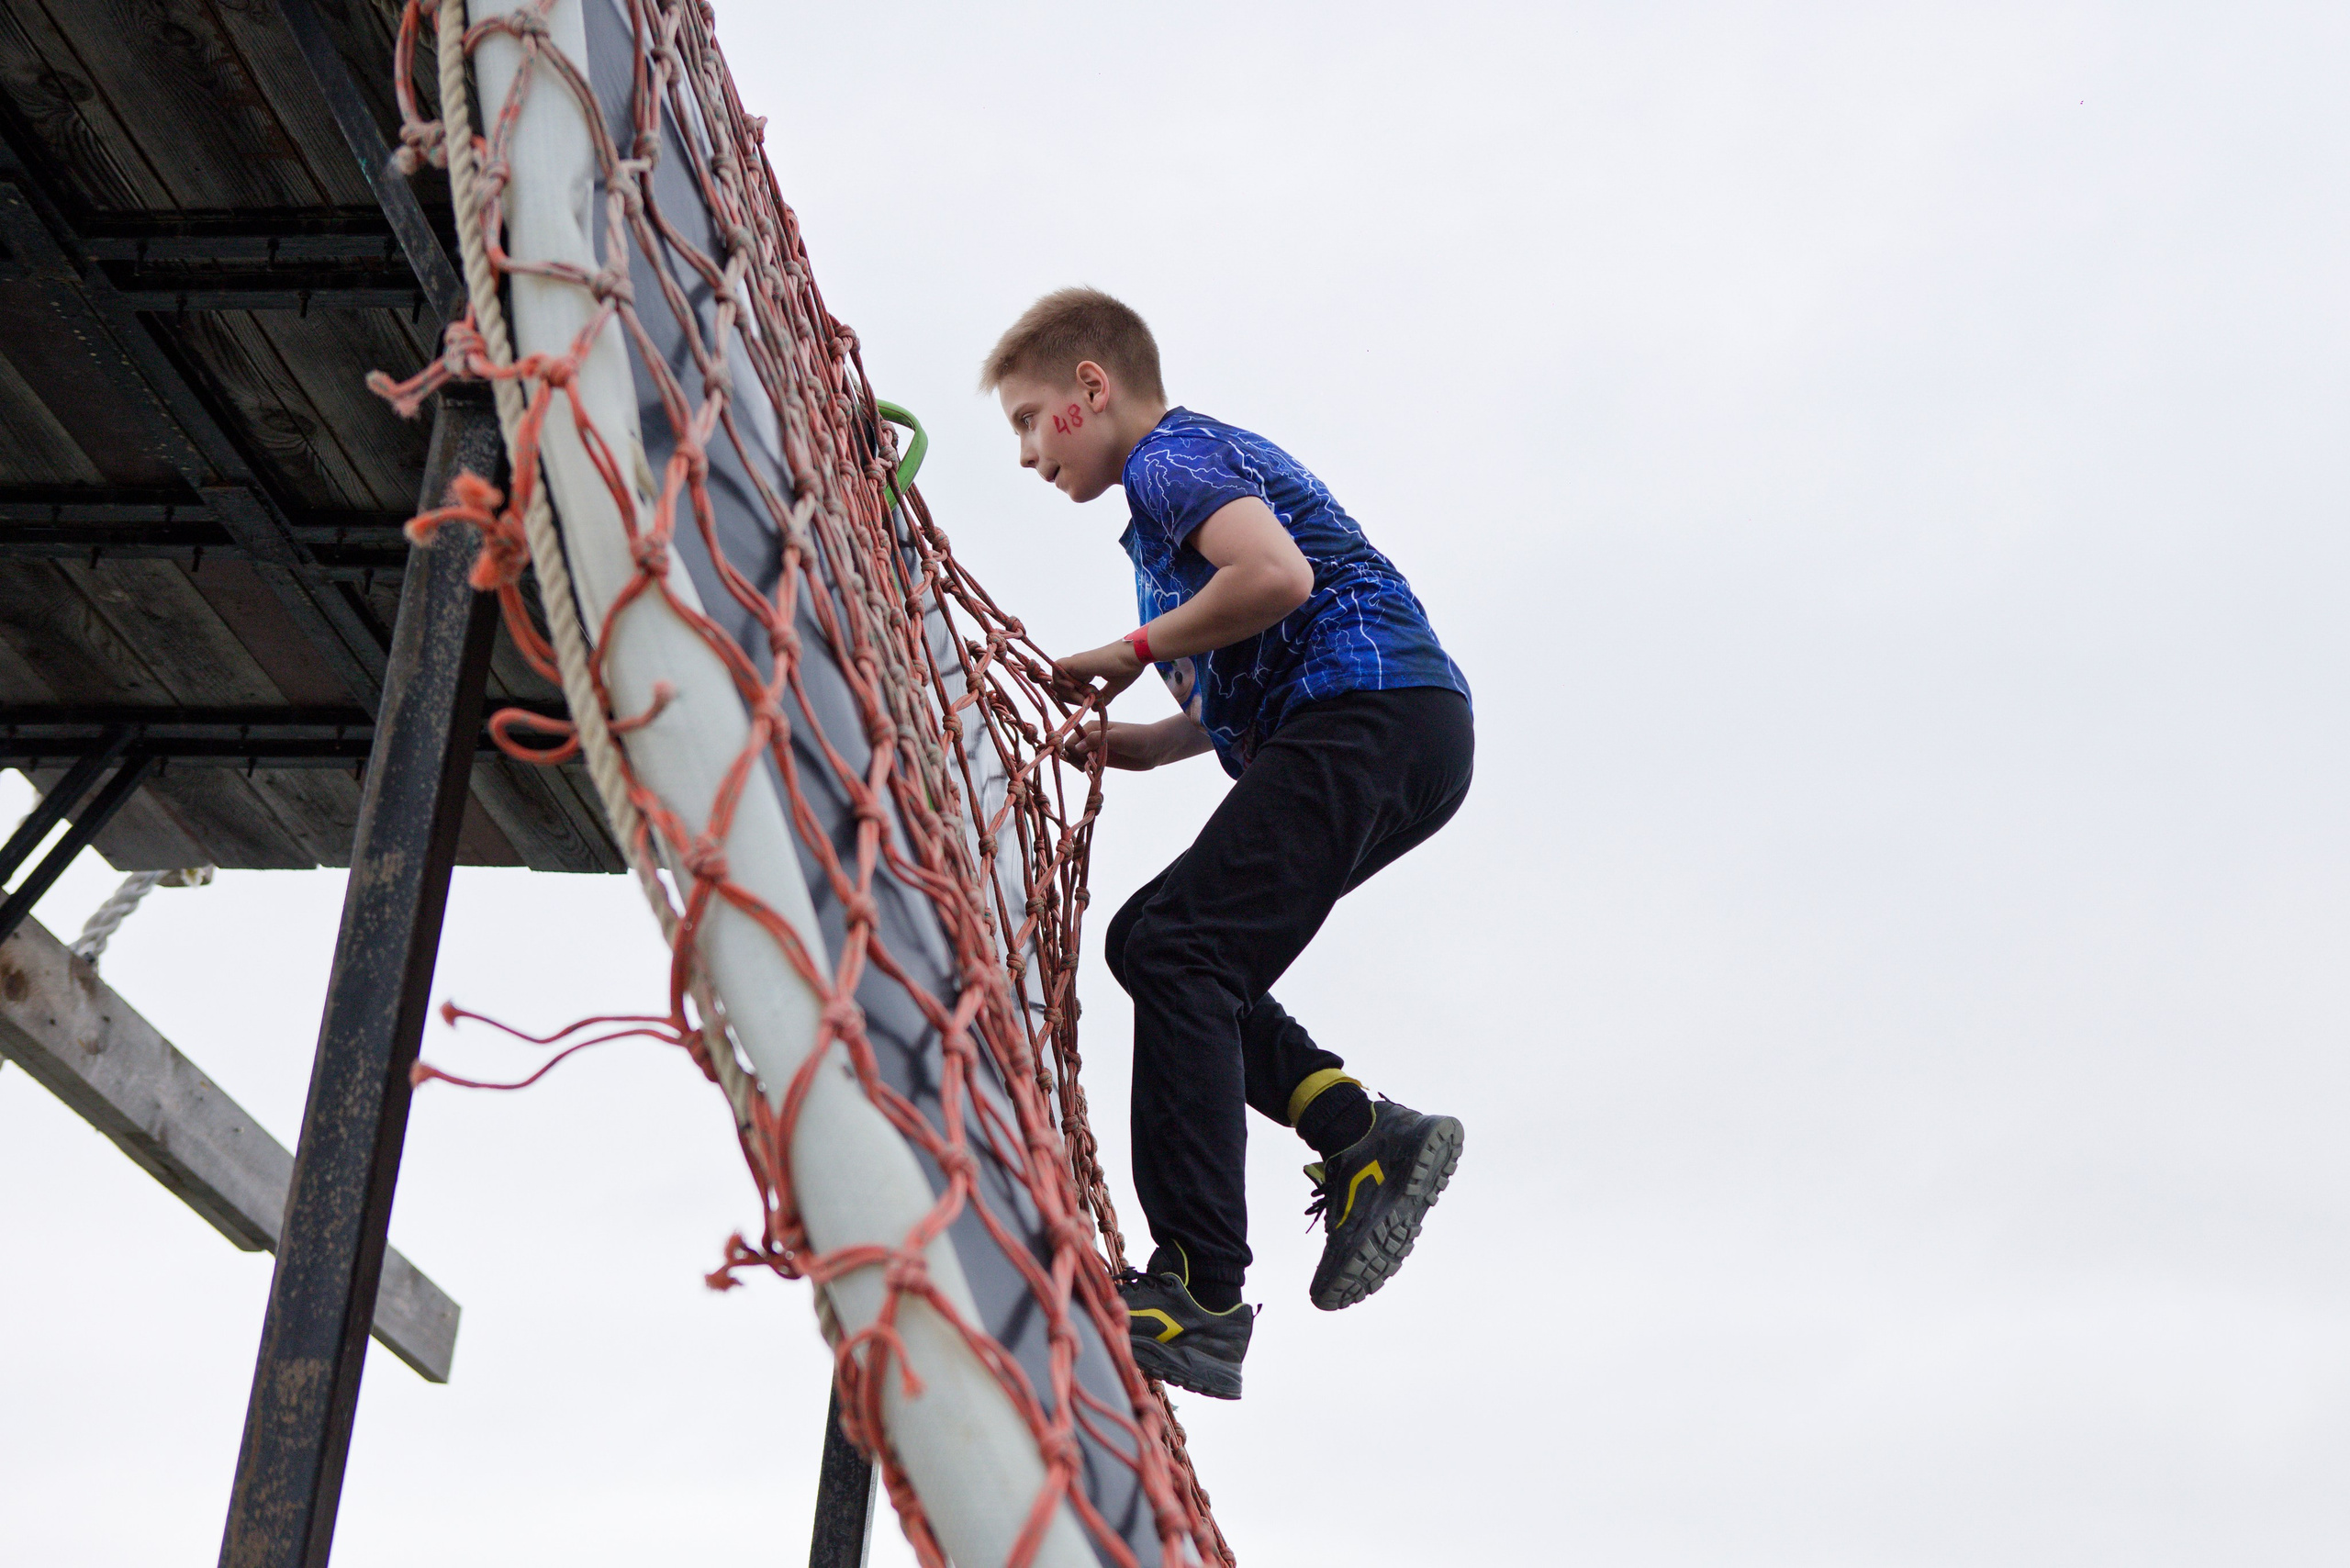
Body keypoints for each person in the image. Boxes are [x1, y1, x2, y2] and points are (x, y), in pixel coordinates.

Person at [979, 287, 1474, 1400]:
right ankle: (1357, 1134)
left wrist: (1131, 643)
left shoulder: (1169, 460)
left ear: (1090, 391)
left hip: (1369, 715)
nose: (1023, 451)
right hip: (1385, 726)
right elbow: (1258, 641)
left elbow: (1277, 578)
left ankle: (1199, 1289)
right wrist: (1155, 740)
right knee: (1156, 939)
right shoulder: (1157, 511)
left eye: (1027, 417)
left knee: (1182, 950)